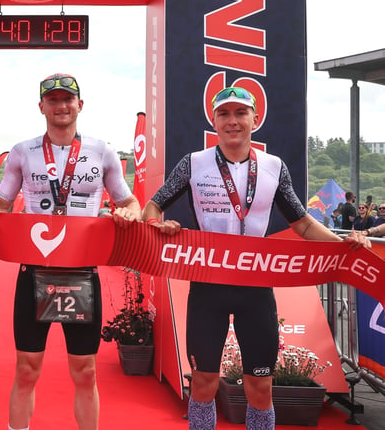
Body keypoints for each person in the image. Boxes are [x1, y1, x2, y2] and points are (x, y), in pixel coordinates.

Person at [142, 86, 370, 430]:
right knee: (203, 383)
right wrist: (157, 224)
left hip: (256, 288)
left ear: (254, 119)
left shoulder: (273, 167)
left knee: (260, 387)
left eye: (240, 113)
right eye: (224, 114)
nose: (232, 121)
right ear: (214, 121)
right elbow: (152, 206)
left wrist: (343, 244)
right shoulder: (193, 163)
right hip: (208, 286)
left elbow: (304, 224)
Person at [0, 73, 156, 430]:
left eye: (67, 99)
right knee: (27, 368)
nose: (61, 106)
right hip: (35, 271)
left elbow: (130, 201)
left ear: (80, 105)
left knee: (85, 371)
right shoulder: (22, 152)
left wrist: (130, 214)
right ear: (42, 107)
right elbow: (1, 204)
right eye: (53, 100)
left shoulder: (102, 151)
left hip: (81, 273)